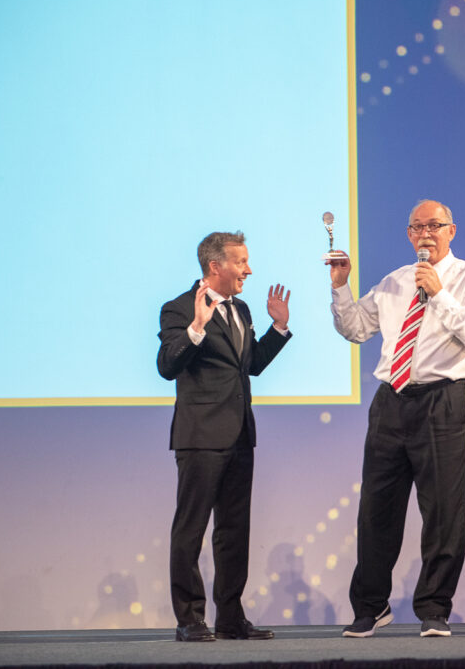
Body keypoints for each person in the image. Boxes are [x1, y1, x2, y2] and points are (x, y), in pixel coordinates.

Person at [327, 199, 465, 638]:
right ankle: (370, 606)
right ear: (408, 235)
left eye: (434, 225)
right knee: (376, 510)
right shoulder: (395, 281)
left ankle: (434, 608)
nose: (426, 233)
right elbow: (356, 329)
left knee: (442, 510)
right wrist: (341, 288)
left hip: (441, 400)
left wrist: (438, 293)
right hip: (391, 401)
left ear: (452, 231)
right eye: (418, 227)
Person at [157, 231, 292, 642]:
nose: (248, 270)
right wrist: (196, 328)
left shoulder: (243, 309)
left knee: (234, 532)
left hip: (239, 437)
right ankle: (190, 619)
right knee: (191, 530)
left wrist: (279, 328)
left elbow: (248, 365)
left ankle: (231, 619)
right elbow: (166, 365)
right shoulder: (179, 308)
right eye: (240, 262)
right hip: (199, 437)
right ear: (215, 266)